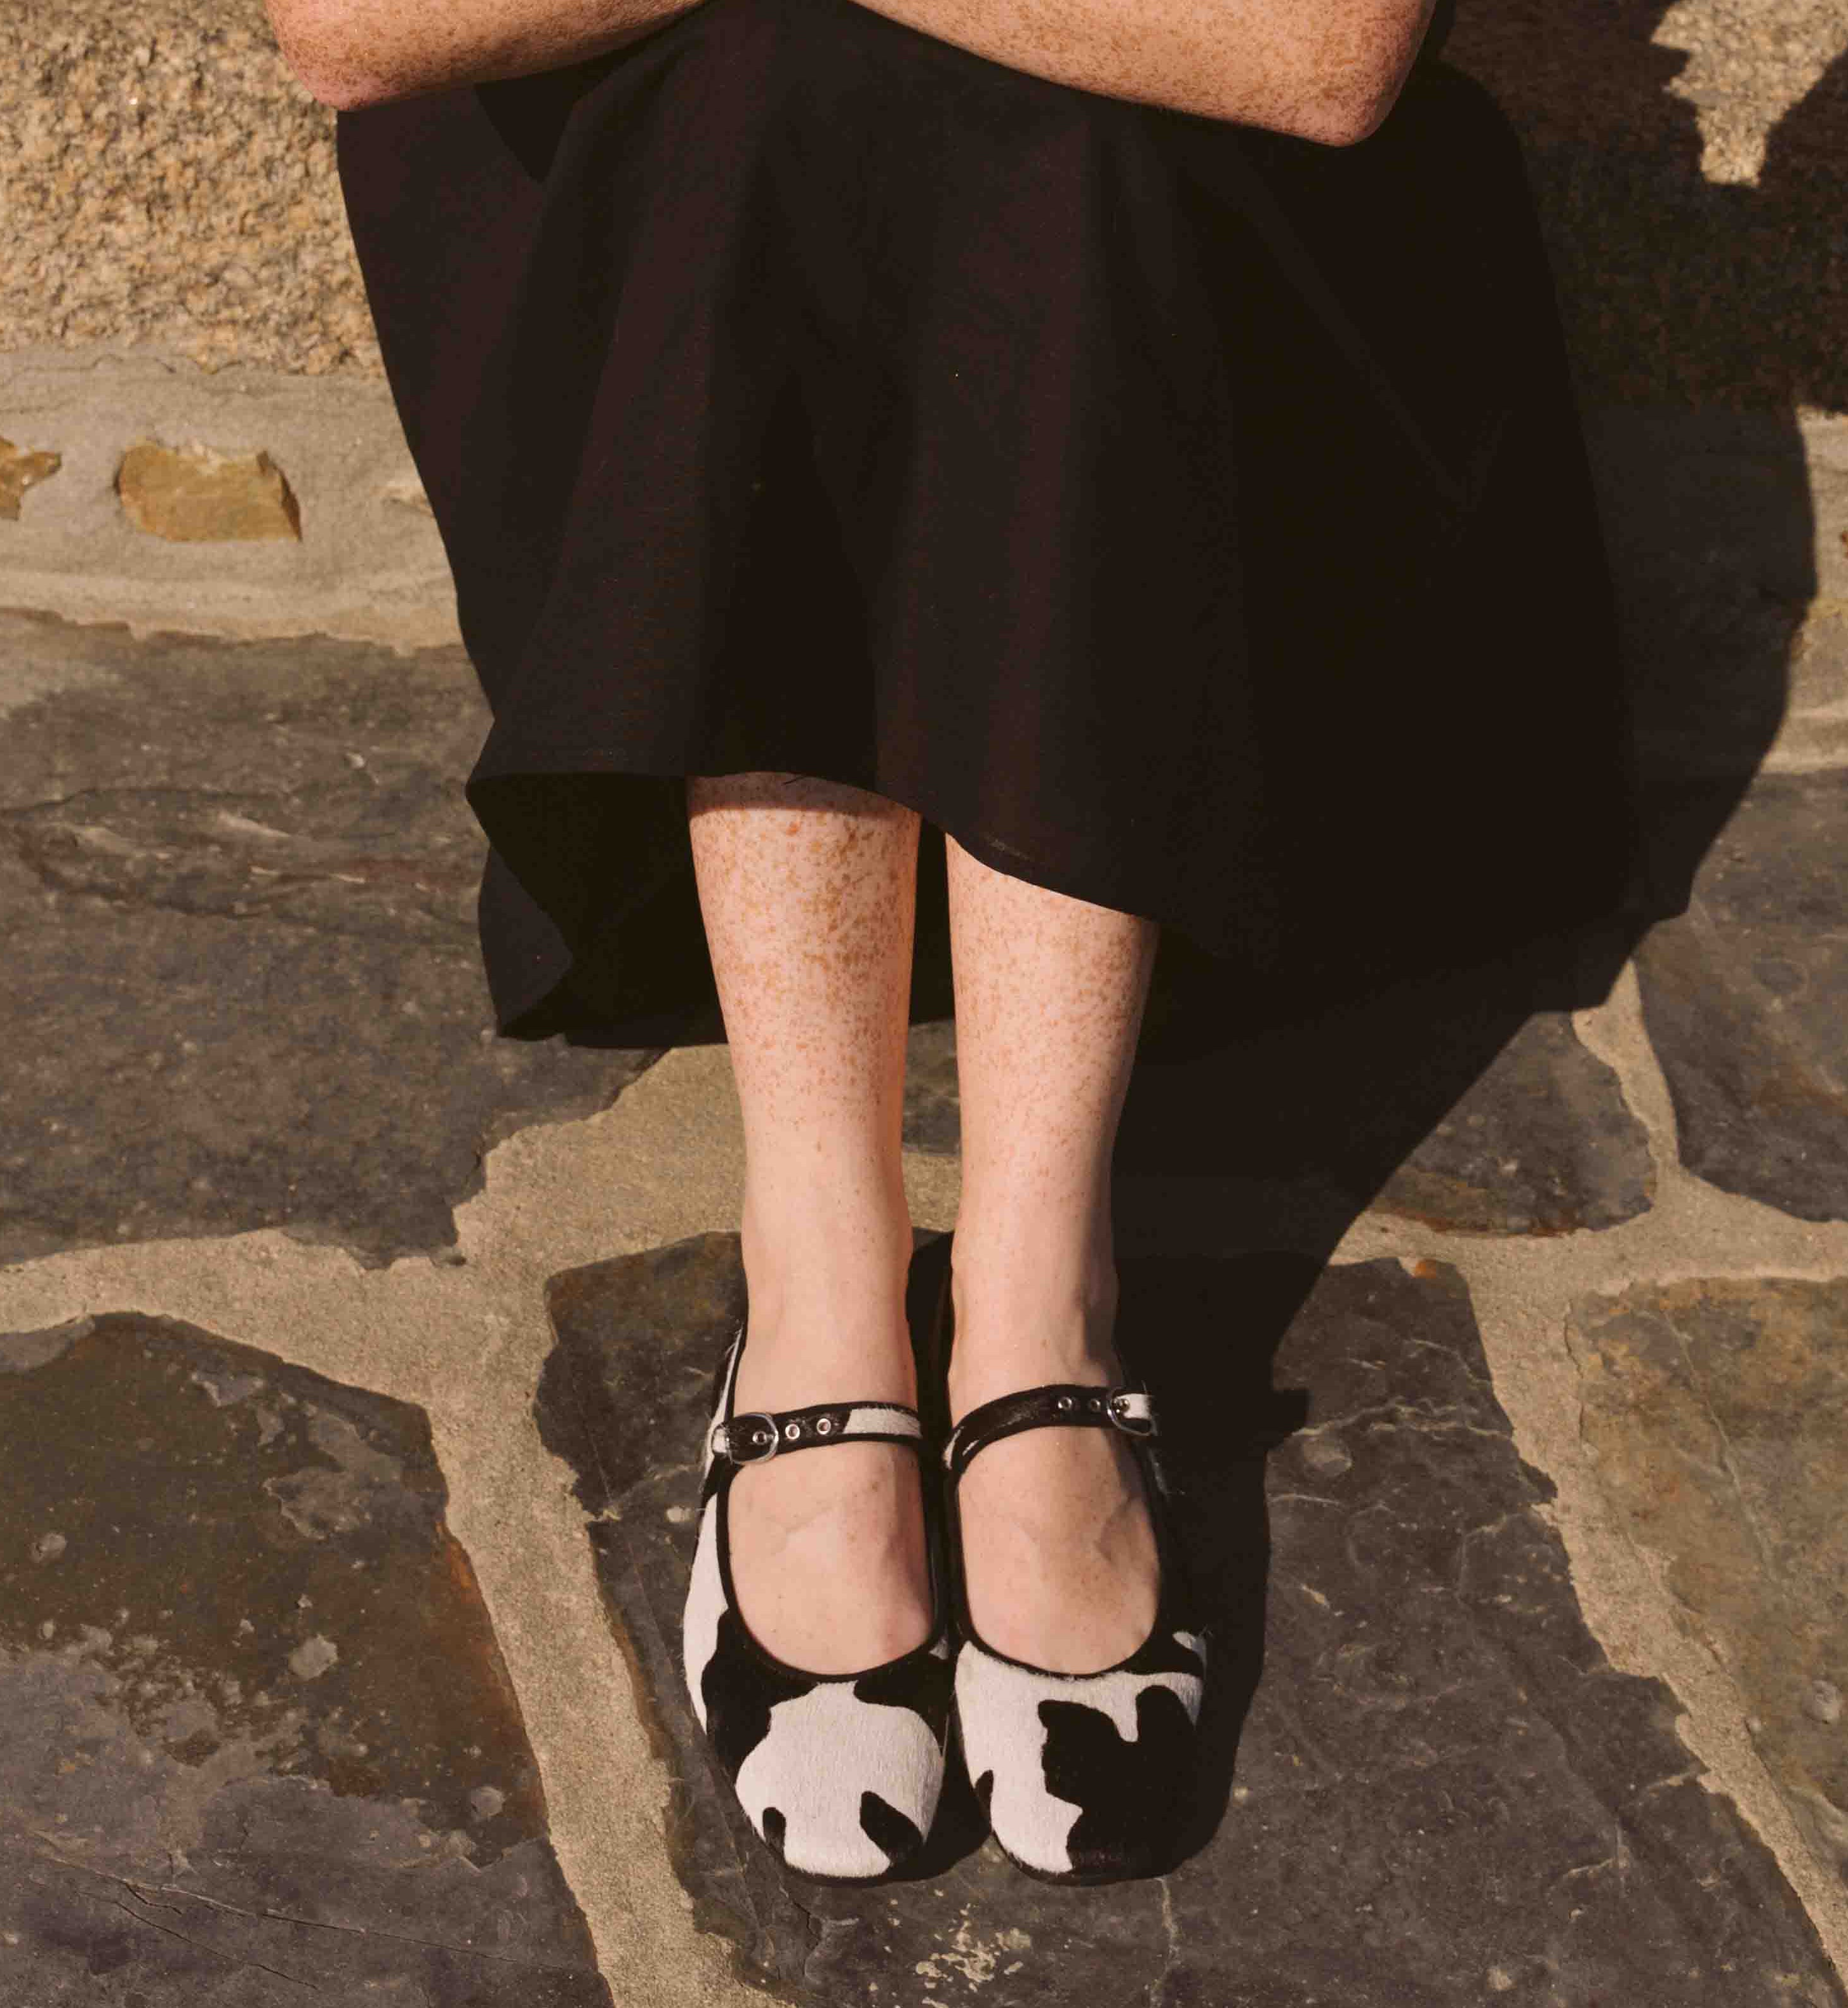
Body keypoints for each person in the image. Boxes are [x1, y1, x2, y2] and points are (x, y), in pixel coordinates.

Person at [316, 0, 1639, 1884]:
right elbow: (354, 21)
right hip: (677, 294)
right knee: (779, 99)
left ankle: (1036, 1296)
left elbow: (1318, 47)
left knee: (1049, 151)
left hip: (1188, 369)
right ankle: (821, 1279)